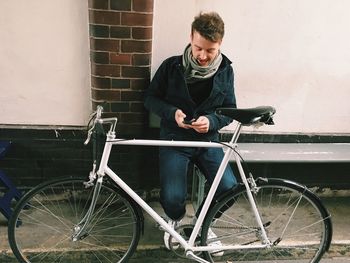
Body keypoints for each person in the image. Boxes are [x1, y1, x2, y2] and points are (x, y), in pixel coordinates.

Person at [144, 11, 237, 252]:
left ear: (220, 44)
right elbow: (150, 99)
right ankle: (174, 220)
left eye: (210, 50)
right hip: (175, 138)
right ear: (191, 38)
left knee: (229, 187)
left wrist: (212, 121)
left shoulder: (226, 70)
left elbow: (230, 110)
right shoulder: (171, 66)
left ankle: (203, 226)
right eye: (198, 48)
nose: (203, 56)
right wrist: (172, 113)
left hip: (208, 140)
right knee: (174, 198)